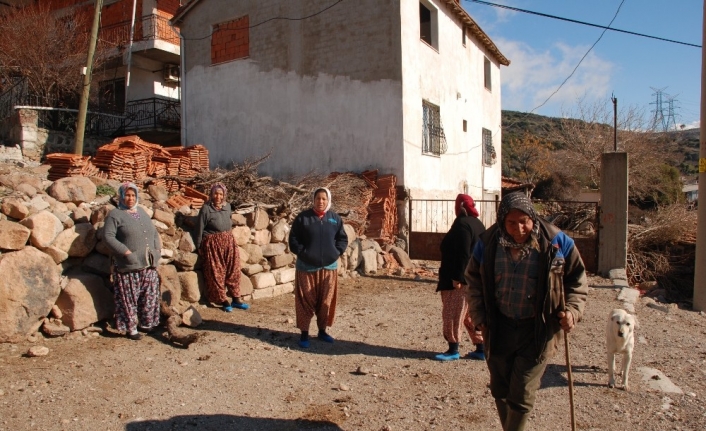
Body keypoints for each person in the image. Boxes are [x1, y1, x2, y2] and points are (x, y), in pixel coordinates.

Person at [464, 192, 588, 431]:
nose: (518, 228)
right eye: (511, 222)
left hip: (538, 330)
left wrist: (572, 310)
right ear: (502, 221)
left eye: (524, 221)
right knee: (500, 390)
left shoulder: (557, 243)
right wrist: (479, 315)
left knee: (521, 394)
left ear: (532, 217)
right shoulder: (488, 243)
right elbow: (473, 279)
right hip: (499, 327)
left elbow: (577, 280)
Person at [288, 187, 348, 348]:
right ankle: (304, 334)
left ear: (328, 201)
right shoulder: (303, 218)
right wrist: (303, 253)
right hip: (306, 268)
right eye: (318, 198)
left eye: (324, 199)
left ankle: (322, 331)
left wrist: (336, 252)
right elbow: (293, 239)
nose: (320, 201)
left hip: (329, 268)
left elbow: (342, 239)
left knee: (325, 301)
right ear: (313, 200)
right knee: (305, 300)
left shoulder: (335, 219)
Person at [103, 182, 162, 340]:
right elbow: (108, 236)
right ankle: (131, 329)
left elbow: (154, 233)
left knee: (149, 295)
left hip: (148, 264)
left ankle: (146, 323)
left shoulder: (141, 211)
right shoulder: (115, 214)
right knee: (128, 298)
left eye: (133, 195)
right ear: (121, 196)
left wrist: (157, 251)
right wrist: (126, 252)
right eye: (127, 195)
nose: (130, 198)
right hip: (128, 265)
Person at [435, 194, 486, 361]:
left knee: (452, 312)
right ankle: (481, 347)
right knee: (469, 315)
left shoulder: (463, 225)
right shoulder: (478, 224)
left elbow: (463, 253)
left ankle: (453, 349)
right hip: (474, 277)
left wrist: (457, 277)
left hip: (457, 279)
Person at [194, 182, 249, 312]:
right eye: (216, 193)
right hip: (213, 244)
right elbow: (199, 229)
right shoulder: (206, 209)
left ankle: (236, 298)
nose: (218, 196)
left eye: (221, 194)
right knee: (216, 273)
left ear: (224, 195)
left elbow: (229, 222)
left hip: (228, 242)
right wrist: (199, 247)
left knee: (234, 269)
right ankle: (223, 300)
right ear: (211, 194)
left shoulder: (227, 207)